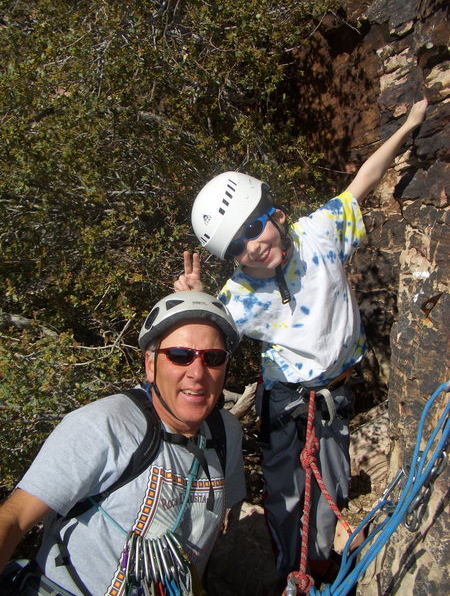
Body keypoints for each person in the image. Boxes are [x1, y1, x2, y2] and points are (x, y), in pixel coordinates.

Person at [174, 100, 428, 586]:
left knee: (329, 484)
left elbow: (365, 180)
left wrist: (410, 127)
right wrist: (192, 300)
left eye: (253, 227)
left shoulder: (320, 234)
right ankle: (289, 569)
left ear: (276, 213)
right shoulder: (238, 296)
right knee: (285, 492)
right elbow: (201, 334)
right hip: (286, 399)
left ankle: (314, 566)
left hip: (332, 393)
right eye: (237, 247)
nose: (252, 246)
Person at [0, 291, 246, 596]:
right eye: (180, 356)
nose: (197, 373)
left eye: (213, 358)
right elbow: (14, 517)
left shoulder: (226, 434)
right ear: (150, 365)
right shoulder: (105, 425)